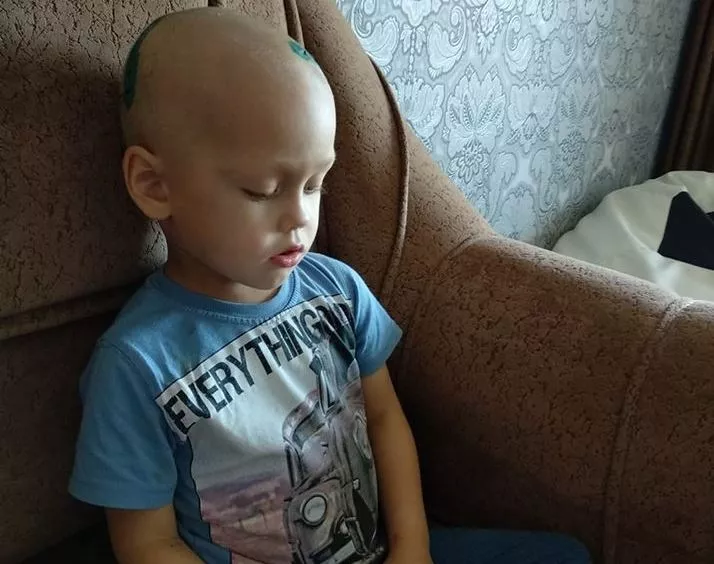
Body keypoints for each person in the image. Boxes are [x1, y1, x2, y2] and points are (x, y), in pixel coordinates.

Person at [69, 7, 591, 564]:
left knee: (563, 556)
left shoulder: (338, 290)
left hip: (380, 547)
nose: (300, 218)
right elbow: (148, 544)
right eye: (261, 190)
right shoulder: (135, 363)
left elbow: (384, 418)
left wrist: (412, 546)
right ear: (154, 185)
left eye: (315, 183)